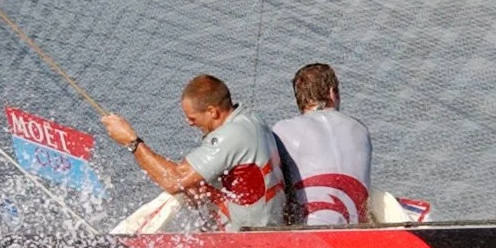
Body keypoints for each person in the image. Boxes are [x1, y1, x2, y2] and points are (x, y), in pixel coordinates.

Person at [102, 74, 284, 230]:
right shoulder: (251, 120)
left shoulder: (231, 135)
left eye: (192, 118)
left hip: (248, 237)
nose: (189, 123)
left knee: (180, 187)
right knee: (192, 186)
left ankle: (128, 236)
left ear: (212, 112)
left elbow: (174, 180)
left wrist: (132, 141)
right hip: (266, 223)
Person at [272, 63, 372, 227]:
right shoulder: (361, 129)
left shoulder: (282, 129)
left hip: (310, 235)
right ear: (333, 93)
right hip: (356, 233)